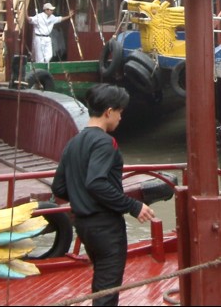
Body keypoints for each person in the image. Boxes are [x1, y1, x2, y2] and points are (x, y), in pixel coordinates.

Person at [52, 84, 155, 306]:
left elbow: (59, 188)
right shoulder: (105, 142)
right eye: (119, 112)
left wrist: (80, 198)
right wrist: (133, 206)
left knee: (101, 283)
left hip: (84, 225)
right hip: (105, 226)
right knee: (107, 290)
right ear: (109, 112)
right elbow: (96, 182)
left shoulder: (74, 142)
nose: (120, 118)